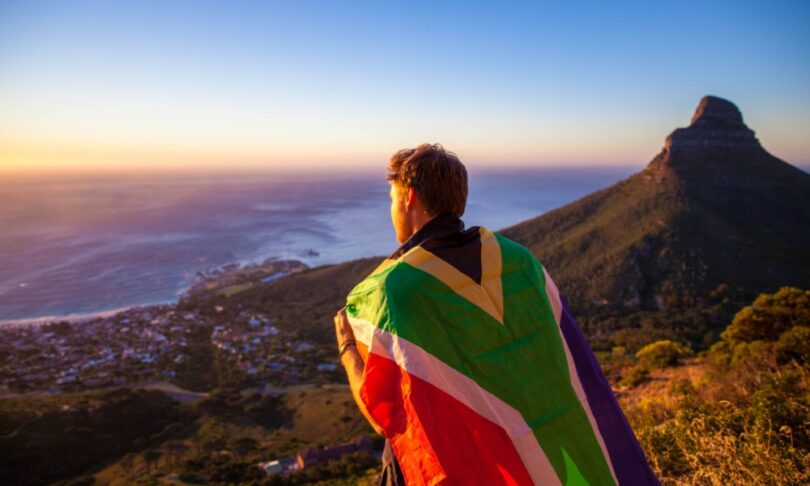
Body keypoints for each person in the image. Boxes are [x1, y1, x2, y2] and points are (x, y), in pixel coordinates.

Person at [334, 144, 658, 485]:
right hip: (558, 453)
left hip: (465, 465)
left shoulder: (387, 291)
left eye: (391, 199)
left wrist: (345, 344)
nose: (391, 209)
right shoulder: (520, 261)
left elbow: (383, 415)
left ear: (409, 197)